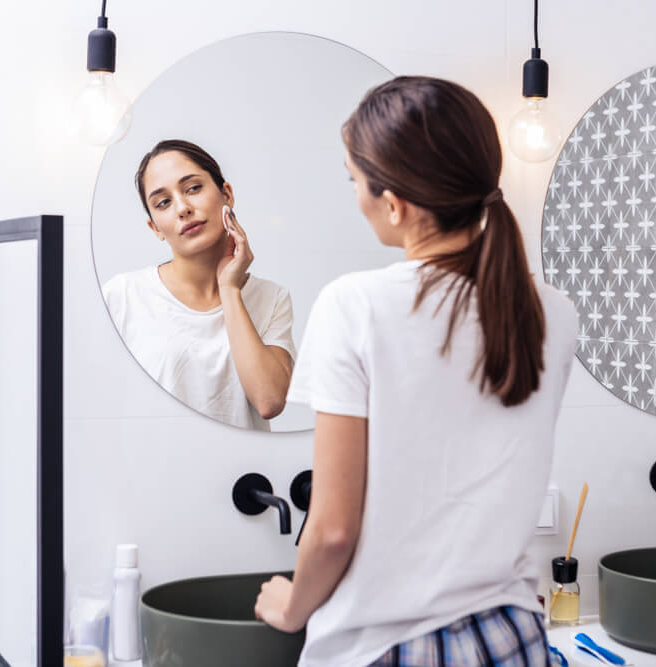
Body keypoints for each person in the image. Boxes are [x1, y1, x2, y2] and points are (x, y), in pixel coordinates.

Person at [253, 76, 579, 666]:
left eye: (356, 182)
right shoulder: (552, 310)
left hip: (386, 647)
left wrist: (290, 607)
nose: (355, 197)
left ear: (395, 204)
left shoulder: (354, 306)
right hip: (513, 641)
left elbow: (331, 532)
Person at [102, 140, 295, 431]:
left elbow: (269, 401)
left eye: (193, 188)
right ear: (155, 228)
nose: (182, 208)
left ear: (226, 193)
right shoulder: (124, 296)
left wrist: (229, 290)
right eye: (163, 203)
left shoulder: (272, 298)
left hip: (242, 474)